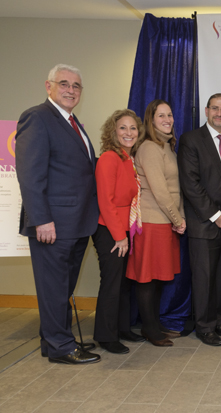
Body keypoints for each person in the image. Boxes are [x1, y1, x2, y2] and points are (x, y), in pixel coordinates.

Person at [15, 64, 100, 364]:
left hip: (76, 223)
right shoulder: (37, 118)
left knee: (61, 287)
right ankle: (62, 347)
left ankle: (55, 341)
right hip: (53, 224)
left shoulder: (73, 122)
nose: (70, 89)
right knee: (54, 288)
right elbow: (29, 174)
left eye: (76, 86)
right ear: (48, 86)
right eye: (63, 83)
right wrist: (41, 219)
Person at [177, 93, 221, 346]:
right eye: (215, 108)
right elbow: (190, 184)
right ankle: (204, 327)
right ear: (206, 111)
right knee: (204, 278)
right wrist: (216, 216)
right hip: (204, 223)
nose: (219, 113)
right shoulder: (191, 140)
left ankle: (217, 321)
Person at [126, 99, 186, 347]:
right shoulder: (150, 147)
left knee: (159, 277)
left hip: (165, 221)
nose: (167, 119)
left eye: (170, 115)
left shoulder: (167, 147)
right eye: (161, 116)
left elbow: (175, 190)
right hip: (152, 221)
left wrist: (176, 219)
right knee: (148, 279)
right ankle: (149, 329)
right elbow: (161, 192)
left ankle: (155, 323)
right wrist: (178, 219)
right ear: (150, 120)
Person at [92, 109, 146, 354]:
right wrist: (119, 236)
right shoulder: (109, 158)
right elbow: (106, 201)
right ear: (113, 132)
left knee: (124, 284)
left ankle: (122, 328)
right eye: (123, 128)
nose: (129, 133)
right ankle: (106, 336)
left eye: (133, 128)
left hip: (126, 228)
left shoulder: (128, 158)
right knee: (112, 284)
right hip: (110, 230)